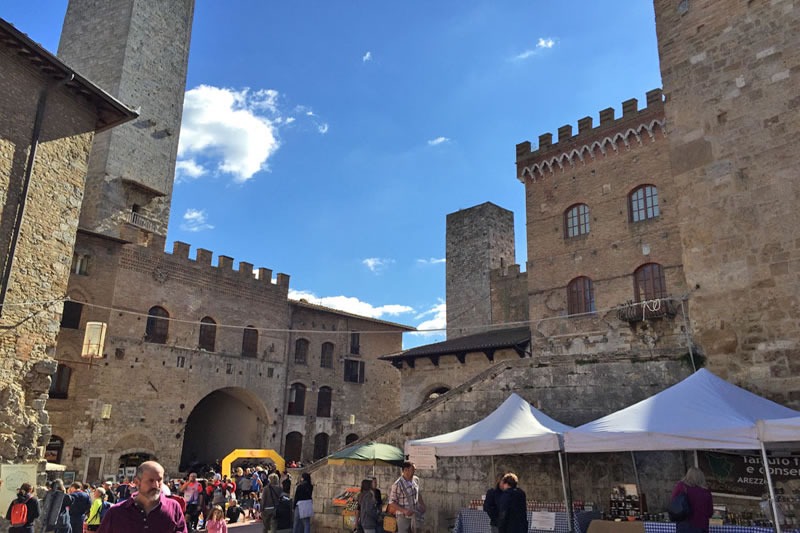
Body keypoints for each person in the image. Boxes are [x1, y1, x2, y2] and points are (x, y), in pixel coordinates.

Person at [97, 460, 187, 533]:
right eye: (150, 481)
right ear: (137, 482)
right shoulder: (116, 512)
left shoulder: (173, 508)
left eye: (159, 480)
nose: (156, 485)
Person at [671, 467, 713, 533]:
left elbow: (673, 502)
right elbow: (710, 513)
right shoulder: (706, 493)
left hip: (684, 525)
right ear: (702, 478)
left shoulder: (681, 486)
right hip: (701, 526)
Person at [388, 462, 425, 533]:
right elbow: (391, 502)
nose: (414, 471)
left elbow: (417, 492)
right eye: (412, 470)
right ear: (405, 470)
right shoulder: (397, 484)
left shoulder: (415, 480)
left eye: (414, 470)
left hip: (415, 515)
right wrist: (404, 510)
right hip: (403, 516)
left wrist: (422, 505)